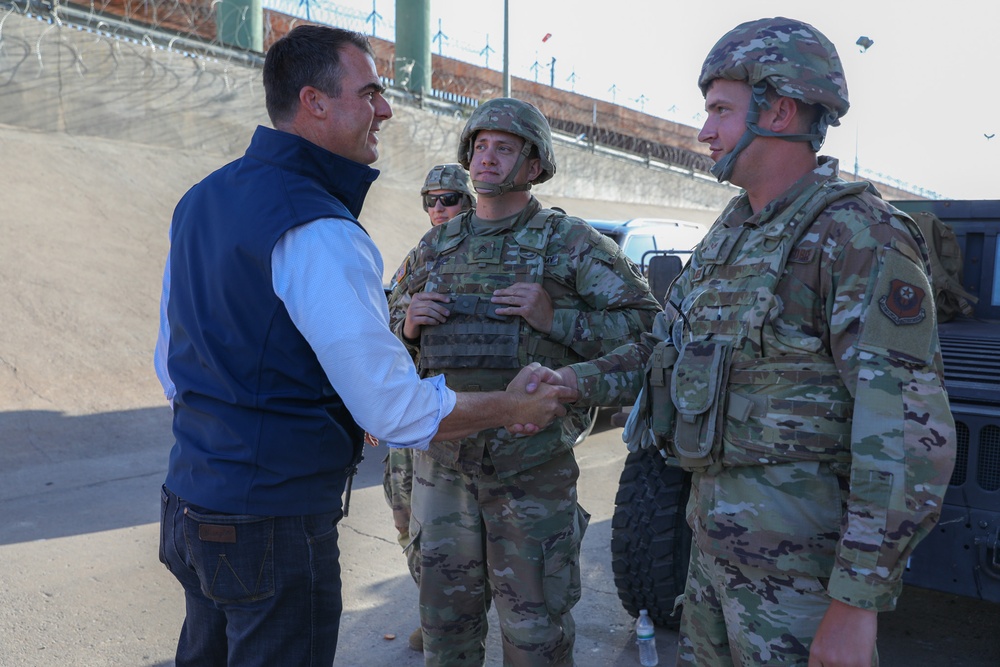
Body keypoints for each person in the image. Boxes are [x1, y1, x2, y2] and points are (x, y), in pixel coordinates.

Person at [153, 26, 572, 667]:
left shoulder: (201, 200)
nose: (385, 109)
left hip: (190, 506)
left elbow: (172, 369)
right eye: (371, 92)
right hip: (271, 522)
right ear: (315, 102)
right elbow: (394, 411)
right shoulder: (317, 226)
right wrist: (511, 405)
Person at [546, 17, 956, 667]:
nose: (703, 130)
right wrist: (574, 381)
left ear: (782, 109)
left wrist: (856, 603)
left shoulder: (858, 236)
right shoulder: (728, 238)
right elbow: (663, 353)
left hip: (804, 589)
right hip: (711, 570)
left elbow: (907, 434)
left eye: (719, 110)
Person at [387, 97, 661, 666]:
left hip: (530, 474)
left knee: (535, 639)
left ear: (534, 165)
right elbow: (382, 335)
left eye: (504, 148)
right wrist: (408, 325)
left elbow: (648, 338)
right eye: (480, 146)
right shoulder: (436, 246)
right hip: (442, 469)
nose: (487, 158)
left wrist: (554, 320)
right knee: (445, 636)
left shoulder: (570, 243)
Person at [384, 162, 476, 653]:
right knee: (405, 514)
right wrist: (409, 324)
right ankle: (431, 606)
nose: (438, 210)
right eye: (430, 200)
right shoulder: (419, 257)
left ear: (470, 202)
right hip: (415, 409)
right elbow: (385, 320)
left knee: (465, 532)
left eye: (449, 200)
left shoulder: (491, 254)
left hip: (467, 411)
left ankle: (461, 619)